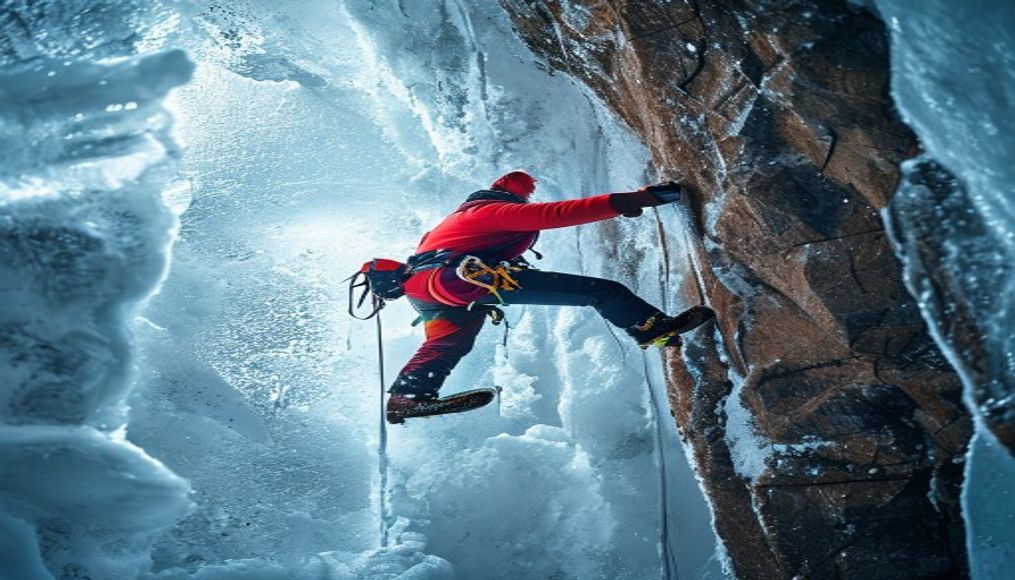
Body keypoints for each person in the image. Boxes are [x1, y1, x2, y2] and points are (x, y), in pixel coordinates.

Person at [386, 170, 714, 423]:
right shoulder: (489, 211)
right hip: (459, 281)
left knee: (447, 344)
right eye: (523, 196)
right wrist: (634, 200)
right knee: (601, 292)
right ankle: (652, 330)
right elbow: (556, 214)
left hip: (433, 290)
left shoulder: (456, 222)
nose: (525, 202)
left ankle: (407, 397)